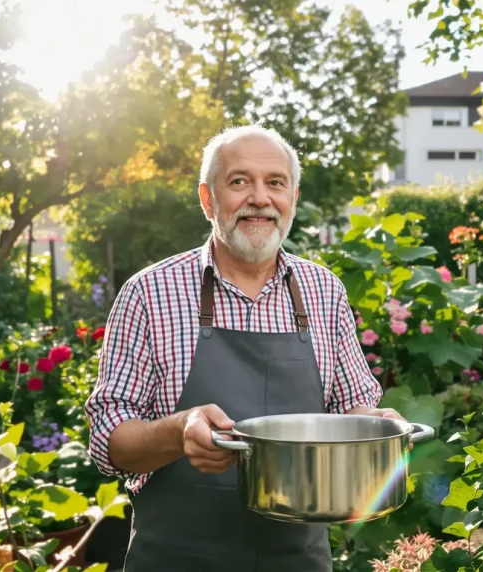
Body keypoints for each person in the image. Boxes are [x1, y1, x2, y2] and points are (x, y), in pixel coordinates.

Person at [84, 124, 403, 571]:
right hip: (177, 560)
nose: (259, 198)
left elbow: (353, 409)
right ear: (207, 198)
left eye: (275, 182)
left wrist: (377, 425)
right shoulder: (150, 292)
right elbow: (107, 443)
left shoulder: (323, 291)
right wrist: (179, 430)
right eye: (239, 182)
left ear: (291, 196)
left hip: (299, 562)